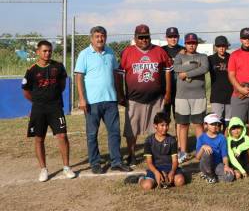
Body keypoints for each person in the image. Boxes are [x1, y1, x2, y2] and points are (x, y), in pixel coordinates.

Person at [74, 26, 130, 174]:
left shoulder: (110, 52)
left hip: (110, 100)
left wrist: (119, 94)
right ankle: (95, 162)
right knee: (92, 134)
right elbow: (78, 77)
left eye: (102, 36)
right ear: (91, 38)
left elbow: (116, 73)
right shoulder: (84, 54)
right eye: (97, 36)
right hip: (92, 102)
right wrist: (81, 98)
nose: (100, 39)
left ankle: (116, 161)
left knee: (114, 132)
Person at [118, 24, 173, 166]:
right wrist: (120, 94)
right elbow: (119, 75)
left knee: (156, 127)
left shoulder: (159, 51)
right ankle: (131, 155)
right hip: (134, 98)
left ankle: (156, 154)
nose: (143, 40)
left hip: (156, 98)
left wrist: (167, 92)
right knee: (132, 129)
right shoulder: (127, 52)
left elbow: (168, 71)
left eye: (146, 37)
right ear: (135, 38)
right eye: (140, 37)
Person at [22, 40, 76, 182]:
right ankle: (43, 169)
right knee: (39, 139)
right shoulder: (31, 70)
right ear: (38, 52)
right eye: (44, 51)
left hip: (55, 108)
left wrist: (52, 98)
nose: (47, 53)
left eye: (50, 51)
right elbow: (26, 91)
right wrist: (37, 102)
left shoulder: (58, 67)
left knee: (62, 136)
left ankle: (66, 167)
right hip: (38, 109)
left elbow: (62, 85)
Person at [173, 33, 209, 163]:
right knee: (183, 124)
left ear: (197, 44)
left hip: (198, 96)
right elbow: (176, 68)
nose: (191, 45)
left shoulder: (203, 56)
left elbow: (204, 68)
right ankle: (183, 151)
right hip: (182, 96)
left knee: (198, 124)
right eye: (188, 43)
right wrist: (194, 66)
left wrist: (187, 73)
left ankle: (200, 150)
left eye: (193, 43)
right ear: (185, 44)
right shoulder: (180, 56)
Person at [138, 112, 185, 190]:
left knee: (180, 181)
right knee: (147, 186)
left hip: (169, 167)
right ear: (155, 125)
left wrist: (172, 172)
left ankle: (167, 178)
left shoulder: (172, 140)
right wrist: (156, 172)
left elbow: (175, 161)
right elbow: (149, 162)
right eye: (162, 125)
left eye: (167, 125)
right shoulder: (149, 141)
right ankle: (141, 178)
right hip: (155, 168)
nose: (165, 128)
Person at [196, 114, 235, 183]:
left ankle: (212, 177)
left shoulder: (222, 138)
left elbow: (224, 156)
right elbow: (198, 158)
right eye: (212, 124)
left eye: (216, 124)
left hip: (218, 165)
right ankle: (208, 173)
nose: (215, 126)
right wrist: (203, 147)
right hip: (205, 165)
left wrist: (226, 166)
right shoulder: (201, 138)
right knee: (207, 153)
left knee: (230, 176)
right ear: (206, 125)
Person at [209, 36, 233, 123]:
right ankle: (218, 137)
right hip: (216, 94)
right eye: (219, 46)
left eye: (223, 46)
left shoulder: (231, 57)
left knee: (228, 121)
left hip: (230, 93)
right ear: (216, 47)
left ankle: (226, 137)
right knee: (216, 121)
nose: (221, 48)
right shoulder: (210, 59)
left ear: (227, 46)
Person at [161, 27, 183, 118]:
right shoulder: (161, 50)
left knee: (178, 117)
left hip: (180, 87)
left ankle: (178, 133)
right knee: (164, 116)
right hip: (164, 88)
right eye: (170, 37)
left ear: (178, 37)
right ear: (166, 38)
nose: (173, 39)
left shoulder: (184, 50)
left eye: (175, 36)